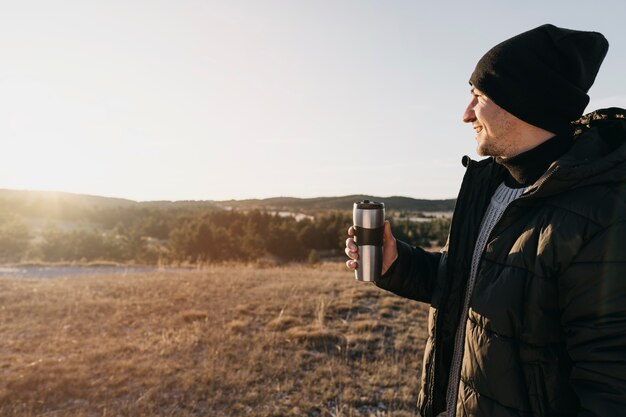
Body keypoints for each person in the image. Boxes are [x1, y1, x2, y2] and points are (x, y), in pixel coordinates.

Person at [345, 24, 626, 417]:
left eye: (478, 96)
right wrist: (397, 264)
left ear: (523, 101)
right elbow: (471, 282)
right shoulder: (490, 186)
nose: (465, 114)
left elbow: (610, 389)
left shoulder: (601, 215)